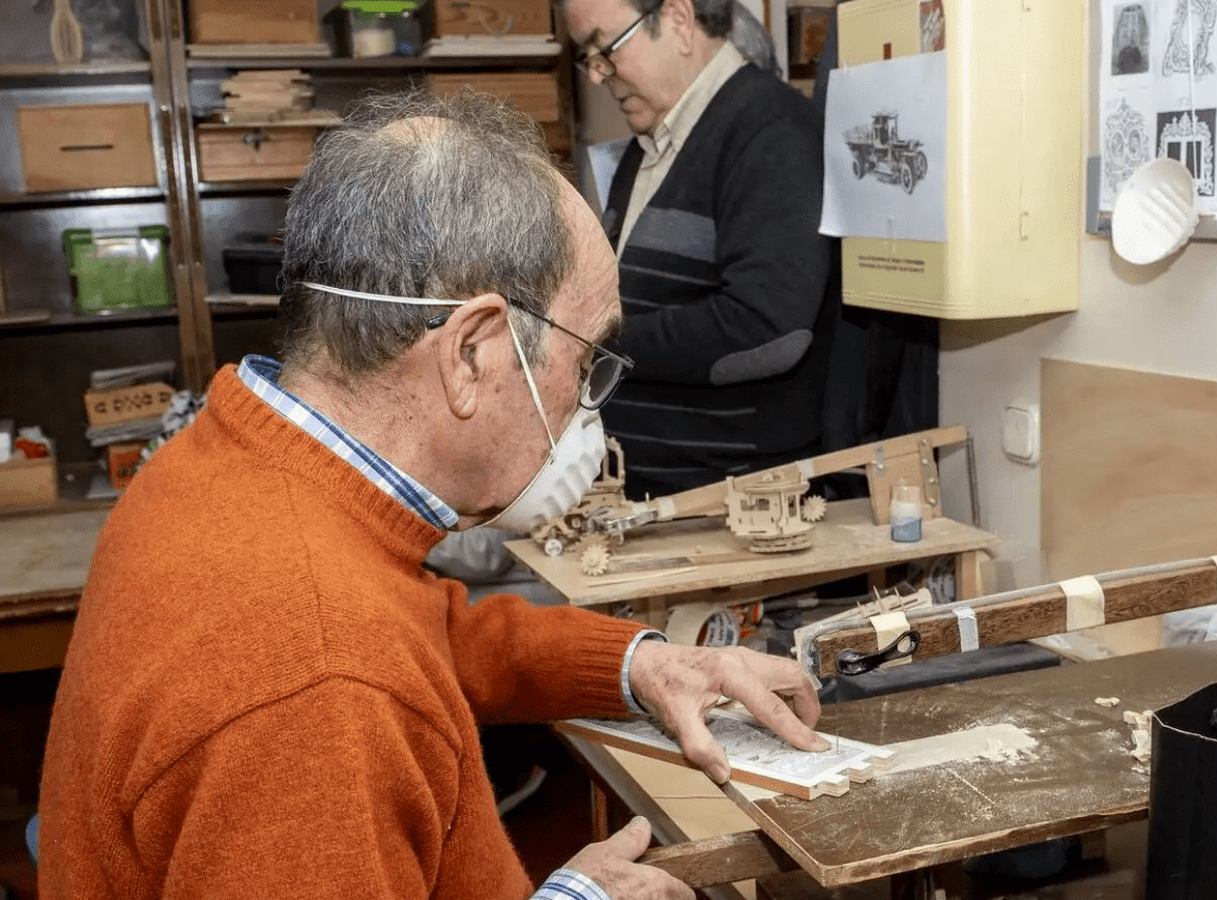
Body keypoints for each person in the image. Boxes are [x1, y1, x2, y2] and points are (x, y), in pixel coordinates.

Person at [36, 90, 828, 900]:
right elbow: (347, 665)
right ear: (474, 352)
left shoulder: (227, 463)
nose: (585, 398)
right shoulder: (315, 683)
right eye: (585, 357)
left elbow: (418, 634)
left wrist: (641, 664)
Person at [559, 0, 838, 500]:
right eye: (588, 57)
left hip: (729, 499)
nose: (598, 74)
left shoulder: (771, 131)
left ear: (679, 21)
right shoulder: (648, 148)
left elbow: (767, 329)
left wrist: (592, 340)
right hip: (651, 488)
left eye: (605, 48)